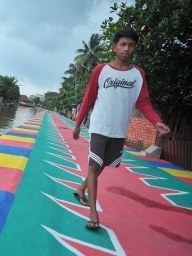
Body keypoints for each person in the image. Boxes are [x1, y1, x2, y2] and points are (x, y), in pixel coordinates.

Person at [72, 30, 170, 230]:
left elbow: (143, 102)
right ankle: (93, 214)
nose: (127, 48)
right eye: (123, 44)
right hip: (99, 126)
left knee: (103, 165)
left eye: (131, 45)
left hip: (118, 130)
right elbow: (89, 98)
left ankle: (81, 189)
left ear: (135, 48)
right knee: (93, 167)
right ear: (114, 47)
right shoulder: (101, 70)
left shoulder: (138, 74)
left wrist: (156, 122)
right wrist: (78, 123)